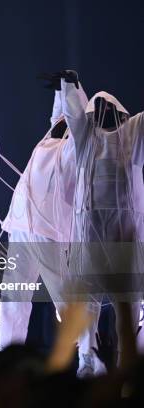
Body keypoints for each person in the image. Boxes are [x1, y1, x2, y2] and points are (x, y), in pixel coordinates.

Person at [0, 75, 106, 377]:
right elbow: (59, 115)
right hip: (21, 227)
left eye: (66, 120)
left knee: (68, 301)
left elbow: (74, 117)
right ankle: (8, 360)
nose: (58, 122)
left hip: (49, 232)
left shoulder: (79, 146)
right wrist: (61, 88)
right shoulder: (49, 139)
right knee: (13, 297)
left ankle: (88, 356)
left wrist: (71, 88)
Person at [57, 69, 144, 369]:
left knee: (128, 299)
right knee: (88, 299)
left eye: (110, 109)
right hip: (90, 232)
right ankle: (85, 359)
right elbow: (73, 116)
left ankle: (126, 364)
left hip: (123, 231)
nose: (105, 113)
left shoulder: (132, 133)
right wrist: (70, 85)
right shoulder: (85, 140)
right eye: (100, 109)